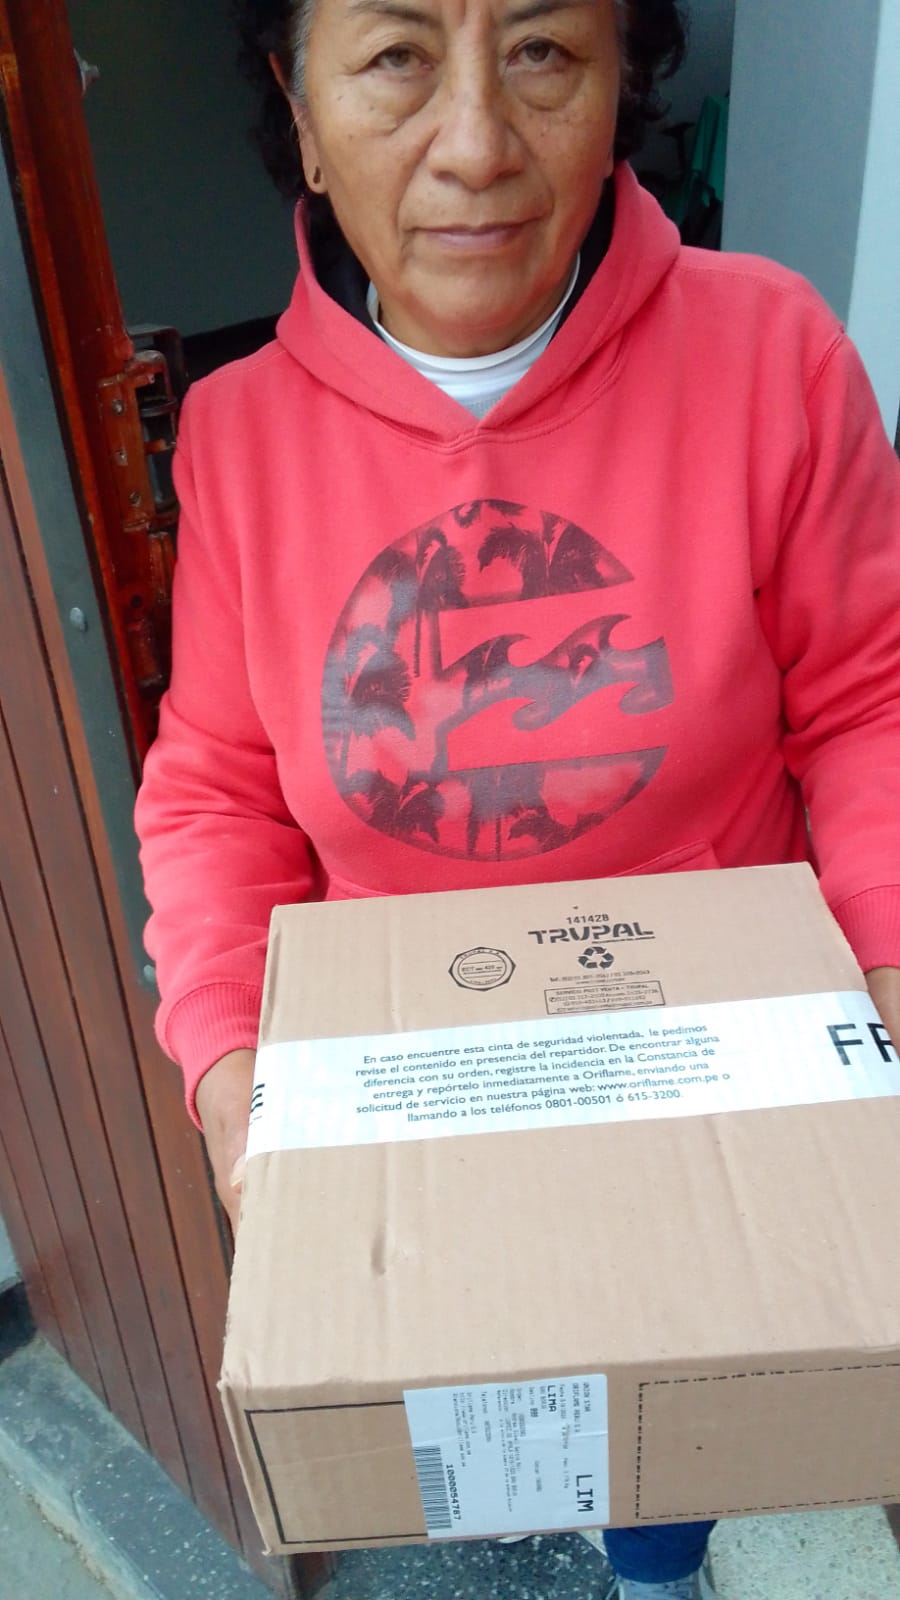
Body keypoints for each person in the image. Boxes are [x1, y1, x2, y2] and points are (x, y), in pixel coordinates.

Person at [134, 0, 900, 1594]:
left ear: (622, 80)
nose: (477, 145)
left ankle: (654, 1563)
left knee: (665, 1445)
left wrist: (888, 980)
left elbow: (869, 701)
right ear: (300, 103)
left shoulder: (773, 356)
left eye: (544, 50)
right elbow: (216, 786)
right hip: (423, 1098)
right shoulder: (238, 436)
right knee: (483, 1420)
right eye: (398, 58)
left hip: (710, 1082)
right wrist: (229, 1070)